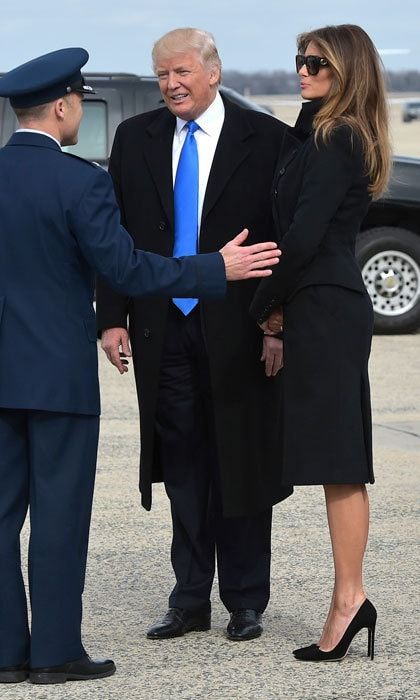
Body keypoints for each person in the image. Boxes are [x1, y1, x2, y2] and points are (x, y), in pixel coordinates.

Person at [0, 48, 281, 686]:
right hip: (58, 382)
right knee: (59, 518)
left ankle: (6, 653)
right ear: (66, 106)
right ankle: (53, 654)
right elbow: (127, 268)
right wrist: (217, 269)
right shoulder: (80, 181)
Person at [96, 27, 292, 643]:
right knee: (180, 464)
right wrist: (111, 316)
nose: (171, 85)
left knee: (240, 458)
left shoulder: (268, 140)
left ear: (213, 71)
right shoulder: (135, 138)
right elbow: (118, 239)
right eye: (161, 75)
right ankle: (189, 600)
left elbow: (285, 244)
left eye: (181, 72)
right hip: (162, 328)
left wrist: (276, 325)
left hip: (238, 330)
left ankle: (245, 598)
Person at [250, 24, 391, 661]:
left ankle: (349, 600)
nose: (302, 71)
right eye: (300, 60)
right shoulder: (318, 128)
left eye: (317, 64)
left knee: (340, 461)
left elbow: (304, 237)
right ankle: (349, 599)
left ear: (346, 71)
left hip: (326, 309)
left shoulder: (339, 137)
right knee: (334, 460)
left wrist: (263, 305)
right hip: (316, 305)